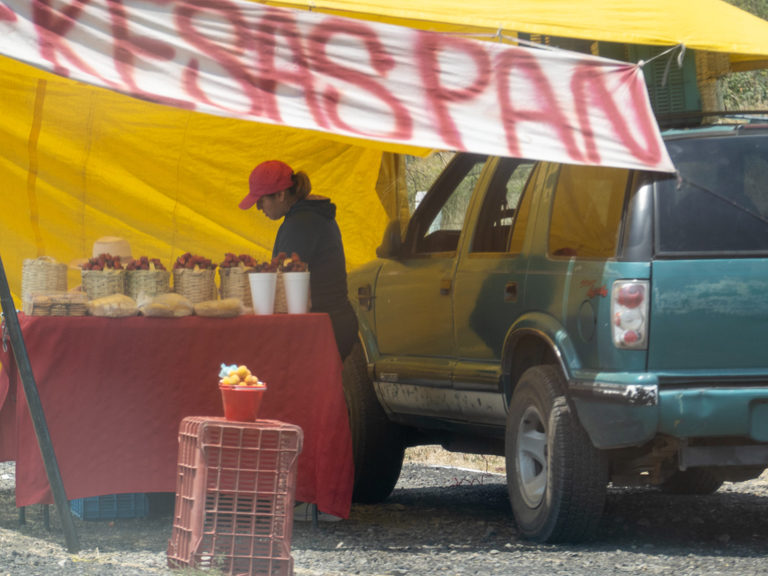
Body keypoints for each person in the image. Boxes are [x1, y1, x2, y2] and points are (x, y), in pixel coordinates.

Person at [239, 159, 359, 361]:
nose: (258, 207)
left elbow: (281, 287)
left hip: (322, 328)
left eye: (261, 200)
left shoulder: (300, 224)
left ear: (280, 195)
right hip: (336, 321)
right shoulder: (313, 215)